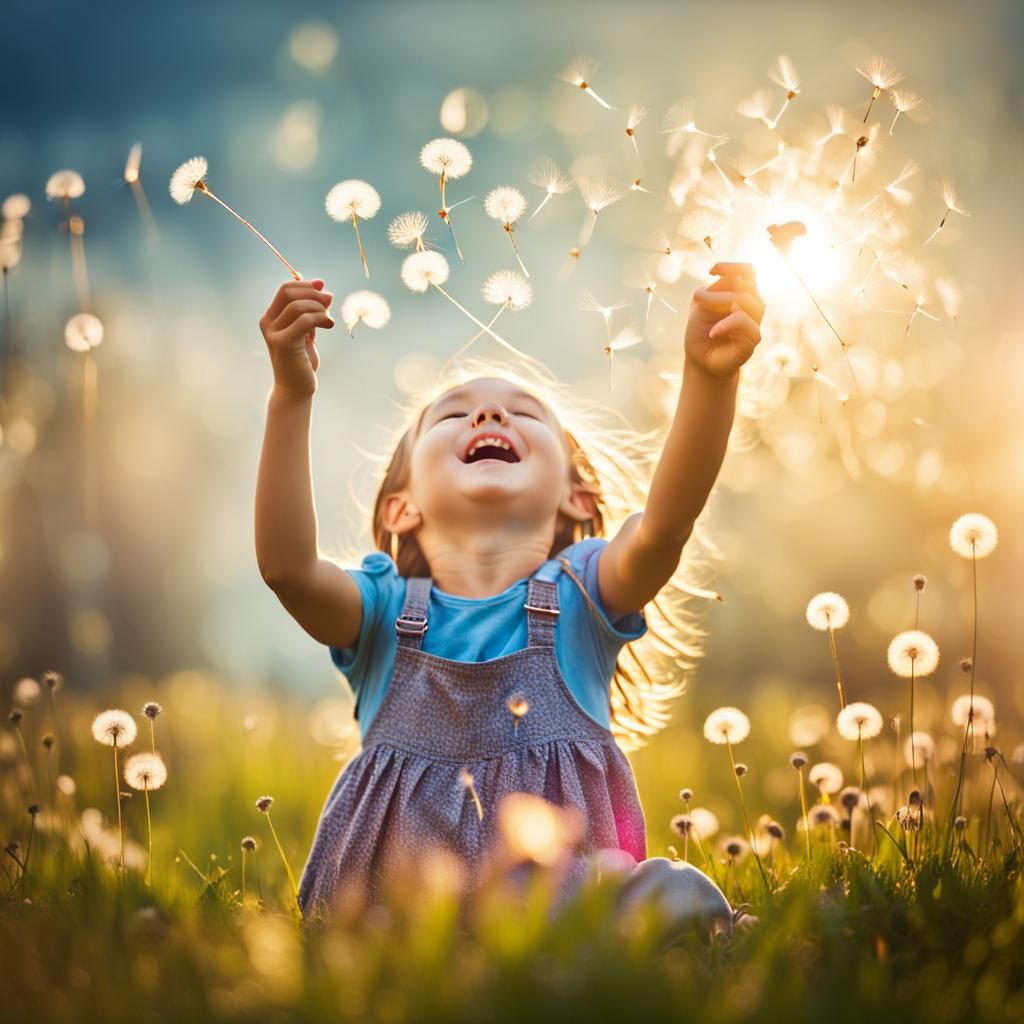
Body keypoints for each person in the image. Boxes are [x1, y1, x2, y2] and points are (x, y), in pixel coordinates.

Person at [255, 264, 765, 928]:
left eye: (524, 413)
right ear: (402, 506)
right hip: (401, 917)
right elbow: (288, 570)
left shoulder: (584, 595)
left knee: (677, 898)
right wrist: (290, 396)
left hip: (559, 921)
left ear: (574, 498)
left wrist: (711, 378)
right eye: (452, 413)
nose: (491, 413)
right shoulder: (380, 610)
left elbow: (665, 527)